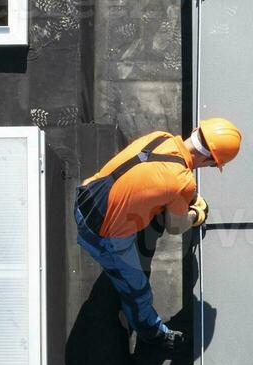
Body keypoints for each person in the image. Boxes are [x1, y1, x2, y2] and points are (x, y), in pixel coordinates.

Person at [74, 119, 242, 351]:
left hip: (86, 196)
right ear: (210, 160)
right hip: (102, 235)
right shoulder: (183, 182)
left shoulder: (160, 137)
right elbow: (176, 227)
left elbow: (145, 177)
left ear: (195, 131)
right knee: (137, 291)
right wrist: (196, 214)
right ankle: (152, 333)